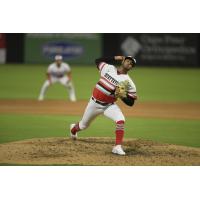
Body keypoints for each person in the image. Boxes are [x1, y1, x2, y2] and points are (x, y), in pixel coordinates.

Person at [70, 56, 137, 155]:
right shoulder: (109, 68)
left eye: (131, 64)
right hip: (94, 104)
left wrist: (122, 97)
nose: (129, 64)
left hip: (109, 106)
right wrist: (115, 57)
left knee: (121, 120)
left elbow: (131, 102)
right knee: (83, 125)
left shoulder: (129, 82)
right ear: (123, 61)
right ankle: (73, 129)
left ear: (132, 67)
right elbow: (97, 61)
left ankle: (117, 147)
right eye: (127, 61)